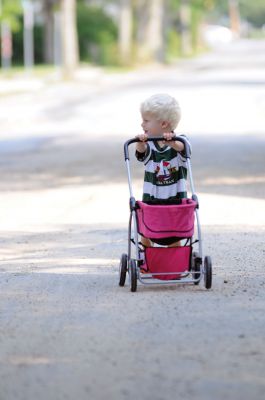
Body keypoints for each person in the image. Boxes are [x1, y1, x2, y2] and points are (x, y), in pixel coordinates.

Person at [135, 93, 191, 248]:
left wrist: (173, 142)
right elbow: (141, 155)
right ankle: (146, 258)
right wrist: (140, 143)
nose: (142, 124)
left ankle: (174, 263)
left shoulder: (180, 141)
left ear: (164, 124)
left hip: (175, 198)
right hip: (152, 198)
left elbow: (184, 150)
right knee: (147, 231)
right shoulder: (150, 145)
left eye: (146, 121)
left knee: (174, 234)